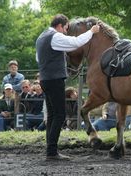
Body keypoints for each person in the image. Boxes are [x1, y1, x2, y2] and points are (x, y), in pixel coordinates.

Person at [36, 14, 100, 160]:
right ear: (60, 25)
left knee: (52, 115)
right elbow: (76, 42)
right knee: (60, 115)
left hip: (45, 79)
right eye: (65, 28)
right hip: (55, 80)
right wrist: (92, 31)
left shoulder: (41, 37)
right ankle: (52, 152)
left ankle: (50, 150)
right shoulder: (55, 36)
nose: (65, 31)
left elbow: (38, 58)